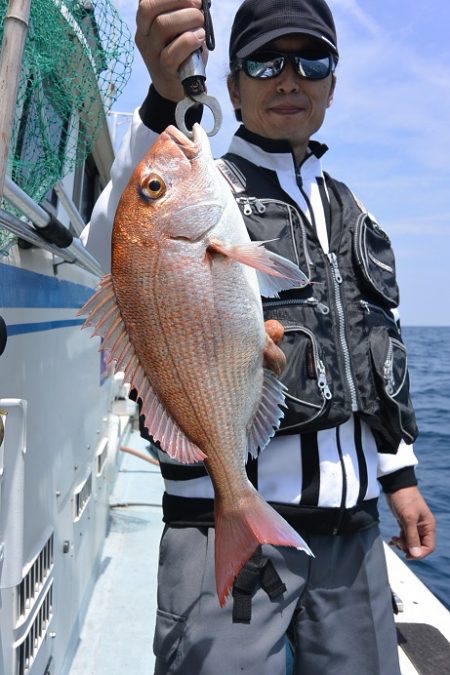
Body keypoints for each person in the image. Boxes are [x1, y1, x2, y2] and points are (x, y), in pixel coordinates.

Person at [82, 0, 436, 672]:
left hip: (354, 535)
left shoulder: (352, 210)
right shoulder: (205, 181)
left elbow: (373, 346)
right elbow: (114, 245)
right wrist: (162, 103)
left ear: (333, 83)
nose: (289, 77)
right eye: (264, 61)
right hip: (226, 525)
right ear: (232, 86)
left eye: (312, 60)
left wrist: (401, 477)